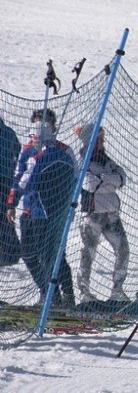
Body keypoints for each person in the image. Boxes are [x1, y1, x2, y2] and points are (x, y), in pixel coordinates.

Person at [6, 114, 76, 306]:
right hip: (30, 211)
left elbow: (74, 180)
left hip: (53, 212)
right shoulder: (28, 149)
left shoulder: (63, 151)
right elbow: (19, 176)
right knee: (29, 256)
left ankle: (67, 294)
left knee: (52, 255)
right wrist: (12, 203)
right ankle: (49, 293)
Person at [76, 123, 129, 302]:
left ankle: (117, 290)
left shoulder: (105, 159)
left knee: (123, 249)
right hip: (92, 214)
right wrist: (110, 181)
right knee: (88, 253)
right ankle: (84, 292)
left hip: (112, 214)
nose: (103, 142)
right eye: (100, 138)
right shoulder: (83, 161)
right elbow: (90, 185)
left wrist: (104, 180)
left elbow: (122, 178)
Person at [0, 114, 20, 266]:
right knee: (5, 216)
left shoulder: (7, 133)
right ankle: (11, 250)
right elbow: (17, 151)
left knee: (3, 217)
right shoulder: (9, 132)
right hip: (7, 179)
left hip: (4, 179)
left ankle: (11, 251)